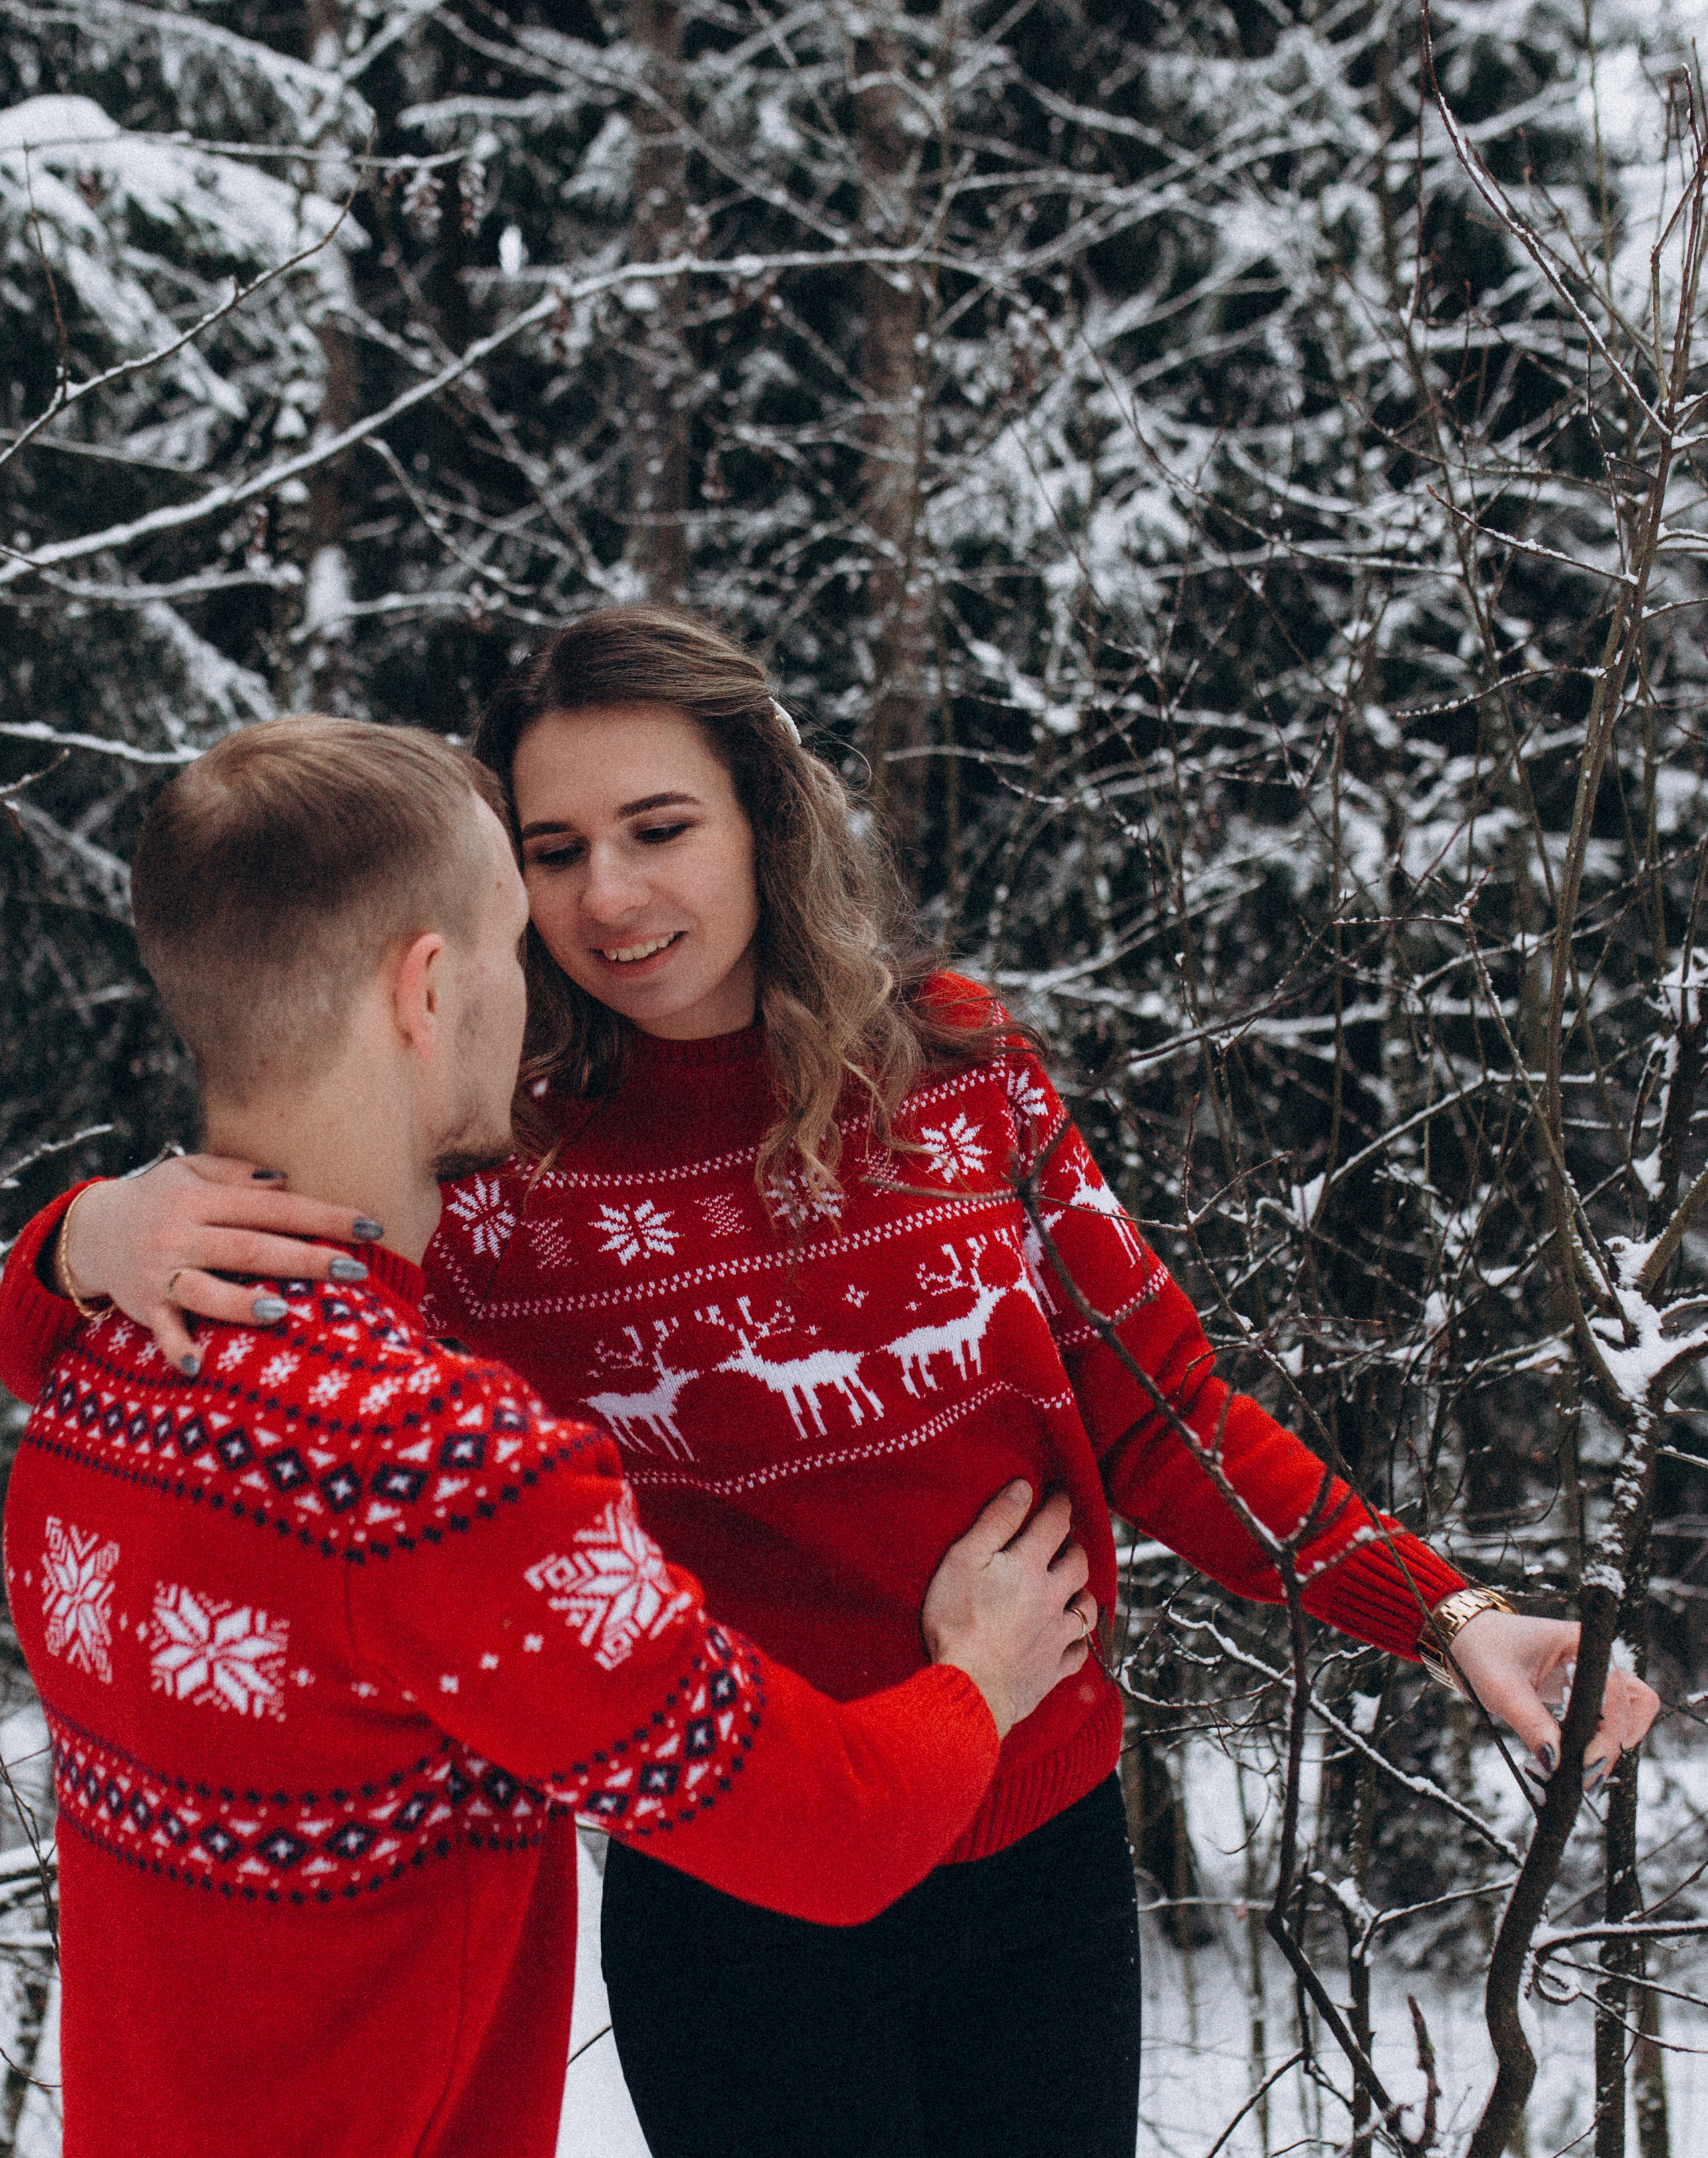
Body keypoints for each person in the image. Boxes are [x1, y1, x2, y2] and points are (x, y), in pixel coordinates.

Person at [5, 611, 1661, 2158]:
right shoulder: (486, 1153)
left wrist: (1440, 1612)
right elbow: (280, 1332)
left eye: (658, 830)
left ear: (760, 823)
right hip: (742, 1889)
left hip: (1039, 1847)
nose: (604, 901)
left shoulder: (956, 1075)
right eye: (551, 854)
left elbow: (1163, 1420)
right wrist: (84, 1235)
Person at [0, 716, 1100, 2158]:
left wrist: (74, 1232)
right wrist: (983, 1670)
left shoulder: (101, 1361)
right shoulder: (438, 1465)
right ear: (431, 986)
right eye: (515, 938)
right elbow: (827, 1841)